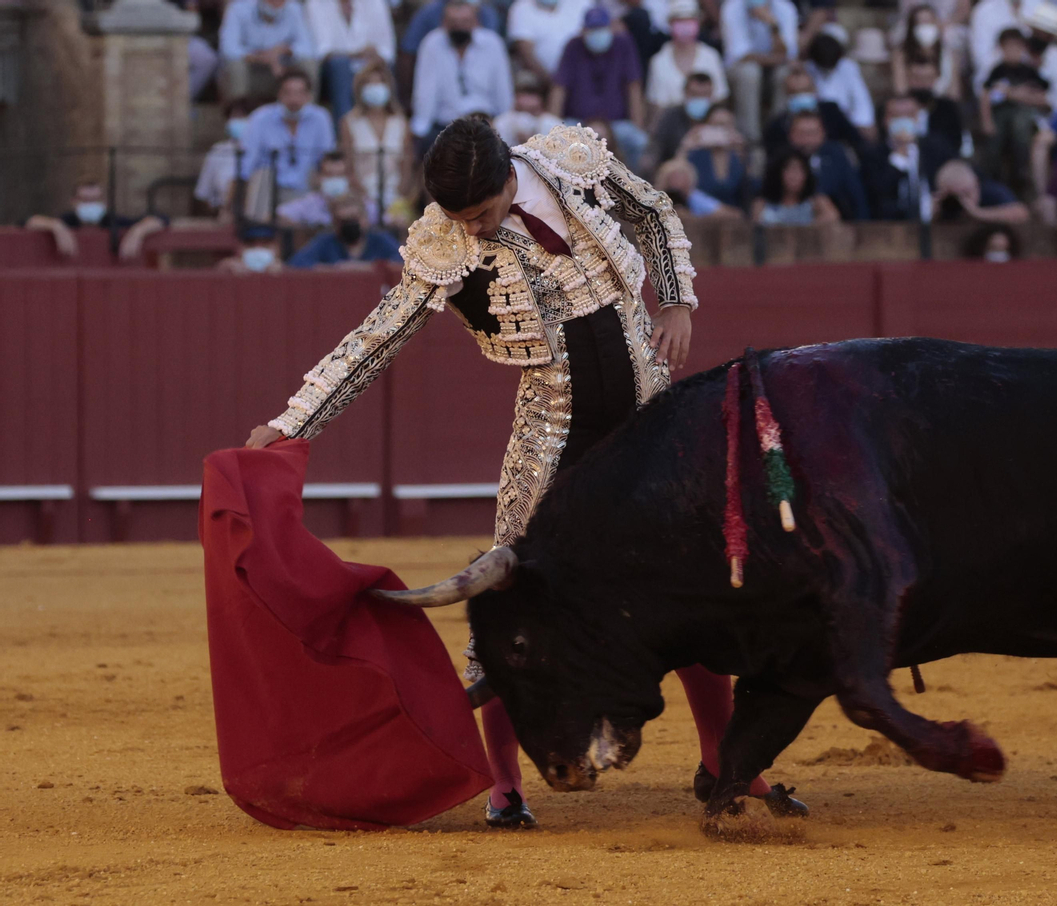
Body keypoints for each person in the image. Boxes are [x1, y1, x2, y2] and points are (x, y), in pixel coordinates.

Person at [244, 116, 805, 828]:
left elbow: (655, 212)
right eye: (462, 219)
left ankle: (726, 763)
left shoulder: (570, 161)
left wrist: (677, 300)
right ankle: (505, 785)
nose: (473, 232)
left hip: (647, 416)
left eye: (480, 213)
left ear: (511, 177)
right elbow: (376, 339)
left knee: (690, 590)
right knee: (514, 603)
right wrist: (293, 421)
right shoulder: (444, 243)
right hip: (553, 431)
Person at [410, 0, 514, 158]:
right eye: (453, 22)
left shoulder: (492, 44)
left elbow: (502, 88)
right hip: (445, 126)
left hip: (485, 124)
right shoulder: (431, 44)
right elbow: (425, 91)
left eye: (464, 22)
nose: (459, 27)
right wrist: (420, 129)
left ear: (476, 21)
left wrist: (505, 122)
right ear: (444, 22)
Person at [551, 7, 649, 168]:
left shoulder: (624, 44)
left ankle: (634, 187)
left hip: (616, 125)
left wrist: (638, 126)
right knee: (554, 140)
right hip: (577, 124)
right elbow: (559, 88)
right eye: (593, 29)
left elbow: (634, 87)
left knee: (639, 142)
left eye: (601, 28)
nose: (597, 33)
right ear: (583, 30)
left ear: (611, 27)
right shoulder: (573, 46)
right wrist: (552, 126)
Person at [238, 69, 339, 221]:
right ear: (279, 94)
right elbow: (245, 166)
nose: (294, 100)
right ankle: (259, 230)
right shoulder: (260, 118)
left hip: (306, 189)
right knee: (262, 174)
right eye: (288, 93)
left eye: (300, 93)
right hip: (270, 190)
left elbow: (327, 159)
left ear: (309, 96)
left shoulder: (321, 118)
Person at [978, 28, 1052, 198]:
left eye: (1016, 47)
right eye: (1008, 47)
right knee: (994, 143)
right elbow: (986, 95)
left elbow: (1043, 96)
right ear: (1001, 49)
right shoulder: (997, 71)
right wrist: (986, 121)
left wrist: (1012, 93)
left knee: (1019, 125)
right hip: (1000, 117)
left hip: (1023, 118)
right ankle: (992, 183)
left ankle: (1022, 175)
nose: (1012, 51)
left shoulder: (1029, 71)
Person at [862, 93, 959, 219]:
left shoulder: (936, 147)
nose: (904, 121)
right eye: (897, 116)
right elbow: (877, 197)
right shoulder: (872, 154)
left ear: (918, 118)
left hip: (937, 221)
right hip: (893, 226)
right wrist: (899, 159)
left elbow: (957, 173)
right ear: (884, 120)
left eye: (909, 115)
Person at [24, 180, 166, 262]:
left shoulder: (112, 220)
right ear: (74, 201)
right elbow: (27, 221)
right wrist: (56, 227)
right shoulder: (66, 220)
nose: (90, 205)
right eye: (85, 200)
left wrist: (138, 231)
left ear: (103, 202)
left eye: (94, 200)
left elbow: (161, 218)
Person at [342, 62, 412, 223]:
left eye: (379, 82)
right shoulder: (349, 122)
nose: (375, 87)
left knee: (402, 222)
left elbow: (406, 166)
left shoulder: (401, 122)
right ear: (360, 89)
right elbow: (348, 166)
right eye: (369, 83)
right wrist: (364, 197)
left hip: (395, 193)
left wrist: (399, 197)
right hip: (362, 194)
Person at [304, 0, 395, 123]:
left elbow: (387, 51)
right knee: (340, 66)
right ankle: (345, 127)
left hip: (369, 65)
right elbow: (322, 52)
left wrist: (372, 57)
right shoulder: (315, 4)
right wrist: (356, 54)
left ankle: (392, 127)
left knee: (380, 72)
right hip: (332, 70)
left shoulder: (376, 3)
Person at [722, 0, 800, 140]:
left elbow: (787, 53)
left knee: (785, 73)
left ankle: (778, 132)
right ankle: (751, 138)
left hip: (773, 68)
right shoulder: (732, 7)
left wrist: (773, 26)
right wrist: (779, 59)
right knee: (750, 72)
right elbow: (742, 56)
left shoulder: (786, 8)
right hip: (740, 70)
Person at [220, 0, 319, 104]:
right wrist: (262, 57)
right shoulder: (238, 8)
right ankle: (238, 115)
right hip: (252, 70)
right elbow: (229, 48)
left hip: (282, 69)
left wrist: (282, 50)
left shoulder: (294, 8)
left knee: (309, 63)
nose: (276, 3)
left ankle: (308, 114)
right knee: (235, 65)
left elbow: (308, 48)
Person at [646, 0, 729, 119]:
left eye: (690, 19)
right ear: (670, 23)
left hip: (708, 124)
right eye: (680, 20)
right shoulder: (658, 61)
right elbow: (656, 108)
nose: (685, 24)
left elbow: (721, 99)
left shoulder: (712, 55)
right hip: (672, 127)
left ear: (699, 22)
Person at [783, 109, 869, 220]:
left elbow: (857, 197)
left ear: (823, 133)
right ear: (791, 135)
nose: (808, 139)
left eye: (812, 133)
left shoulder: (837, 155)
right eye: (802, 133)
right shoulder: (782, 158)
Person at [762, 67, 861, 157]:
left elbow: (855, 139)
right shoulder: (778, 124)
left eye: (806, 90)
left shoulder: (831, 111)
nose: (801, 96)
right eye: (794, 93)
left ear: (814, 89)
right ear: (787, 94)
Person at [287, 193, 403, 267]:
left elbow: (404, 262)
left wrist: (369, 267)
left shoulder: (380, 239)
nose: (349, 224)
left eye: (354, 219)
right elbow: (297, 263)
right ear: (335, 223)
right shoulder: (325, 242)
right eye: (343, 221)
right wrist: (334, 268)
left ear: (365, 219)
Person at [806, 25, 878, 140]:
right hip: (816, 120)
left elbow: (861, 99)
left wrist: (865, 123)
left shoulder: (848, 67)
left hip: (845, 121)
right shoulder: (808, 68)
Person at [682, 105, 753, 208]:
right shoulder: (695, 155)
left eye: (725, 125)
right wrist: (686, 146)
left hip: (734, 215)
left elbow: (748, 191)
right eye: (715, 125)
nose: (720, 130)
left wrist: (742, 152)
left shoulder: (738, 155)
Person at [276, 151, 370, 225]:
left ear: (349, 178)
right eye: (329, 175)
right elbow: (278, 214)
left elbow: (382, 218)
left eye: (339, 175)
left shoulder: (362, 202)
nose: (334, 180)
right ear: (319, 178)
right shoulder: (311, 202)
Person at [197, 99, 255, 217]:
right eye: (236, 116)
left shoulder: (267, 150)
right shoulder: (219, 151)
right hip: (225, 215)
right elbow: (205, 193)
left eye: (245, 116)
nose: (240, 121)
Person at [753, 148, 841, 223]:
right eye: (789, 170)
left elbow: (833, 220)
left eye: (800, 170)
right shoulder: (761, 205)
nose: (794, 176)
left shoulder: (817, 203)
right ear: (777, 173)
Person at [648, 71, 718, 165]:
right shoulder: (670, 117)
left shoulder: (720, 116)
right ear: (685, 93)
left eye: (704, 95)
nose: (699, 99)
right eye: (694, 94)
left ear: (711, 95)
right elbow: (655, 151)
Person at [507, 0, 586, 83]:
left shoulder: (579, 3)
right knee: (525, 81)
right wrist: (553, 83)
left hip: (577, 75)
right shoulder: (521, 7)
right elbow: (525, 53)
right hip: (539, 78)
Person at [891, 3, 960, 97]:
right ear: (912, 27)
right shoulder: (901, 54)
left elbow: (954, 92)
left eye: (929, 22)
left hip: (940, 104)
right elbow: (900, 90)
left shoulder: (948, 55)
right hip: (912, 103)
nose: (925, 27)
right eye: (920, 22)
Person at [931, 158, 1030, 223]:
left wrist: (977, 213)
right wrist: (932, 212)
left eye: (966, 193)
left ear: (977, 183)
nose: (961, 200)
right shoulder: (942, 205)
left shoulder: (991, 191)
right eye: (954, 195)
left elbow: (1022, 213)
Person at [655, 158, 743, 219]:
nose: (677, 182)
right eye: (674, 177)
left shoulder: (694, 197)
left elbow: (723, 211)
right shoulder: (656, 198)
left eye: (681, 177)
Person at [906, 58, 965, 148]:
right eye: (917, 78)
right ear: (909, 78)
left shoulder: (947, 109)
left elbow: (955, 142)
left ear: (935, 79)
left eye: (927, 78)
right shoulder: (897, 108)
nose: (922, 84)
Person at [495, 75, 562, 146]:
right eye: (521, 110)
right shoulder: (501, 123)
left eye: (532, 111)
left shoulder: (555, 126)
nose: (525, 117)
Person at [217, 222, 285, 273]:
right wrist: (225, 268)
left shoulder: (285, 267)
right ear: (238, 247)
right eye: (250, 244)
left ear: (277, 247)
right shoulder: (229, 267)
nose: (258, 248)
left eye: (265, 244)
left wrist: (283, 271)